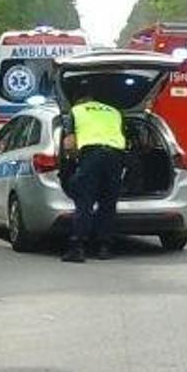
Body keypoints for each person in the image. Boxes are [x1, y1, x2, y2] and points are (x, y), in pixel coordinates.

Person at [59, 93, 126, 262]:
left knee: (85, 202)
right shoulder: (114, 111)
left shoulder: (76, 111)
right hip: (116, 157)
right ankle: (105, 247)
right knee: (108, 203)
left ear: (80, 102)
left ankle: (78, 248)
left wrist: (73, 161)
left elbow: (69, 143)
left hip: (92, 156)